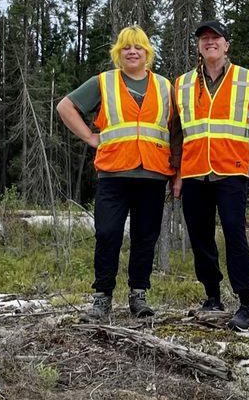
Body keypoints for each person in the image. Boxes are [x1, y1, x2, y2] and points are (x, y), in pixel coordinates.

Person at [56, 26, 173, 322]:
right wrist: (90, 137)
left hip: (153, 174)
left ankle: (138, 295)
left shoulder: (165, 86)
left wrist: (179, 173)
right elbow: (65, 106)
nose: (132, 52)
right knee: (107, 234)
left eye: (138, 47)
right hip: (113, 173)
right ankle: (102, 297)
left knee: (145, 237)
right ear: (117, 54)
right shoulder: (104, 82)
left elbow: (177, 132)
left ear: (148, 53)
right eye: (125, 48)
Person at [169, 20, 249, 331]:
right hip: (194, 172)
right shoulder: (182, 84)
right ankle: (212, 297)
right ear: (199, 46)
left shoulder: (246, 80)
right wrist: (178, 171)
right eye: (204, 39)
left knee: (235, 235)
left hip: (231, 172)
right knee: (200, 237)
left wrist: (244, 159)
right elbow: (177, 132)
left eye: (216, 38)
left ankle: (246, 303)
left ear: (227, 45)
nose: (210, 42)